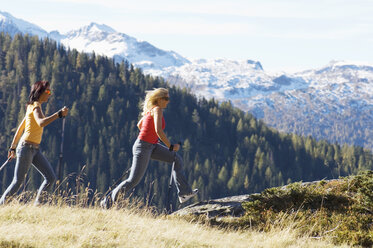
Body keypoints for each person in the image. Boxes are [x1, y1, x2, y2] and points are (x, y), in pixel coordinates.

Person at [101, 88, 197, 208]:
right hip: (143, 147)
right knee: (133, 180)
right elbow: (158, 131)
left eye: (168, 98)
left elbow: (139, 125)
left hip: (150, 146)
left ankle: (184, 193)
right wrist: (170, 146)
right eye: (166, 99)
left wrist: (148, 135)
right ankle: (107, 202)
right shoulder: (157, 109)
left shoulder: (150, 110)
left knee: (176, 159)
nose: (168, 101)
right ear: (159, 99)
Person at [0, 81, 69, 205]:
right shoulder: (36, 106)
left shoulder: (31, 107)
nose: (49, 94)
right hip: (27, 148)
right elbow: (41, 122)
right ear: (40, 92)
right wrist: (58, 114)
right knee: (18, 182)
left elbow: (21, 129)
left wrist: (13, 147)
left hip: (33, 149)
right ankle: (2, 205)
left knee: (50, 178)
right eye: (47, 91)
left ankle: (38, 205)